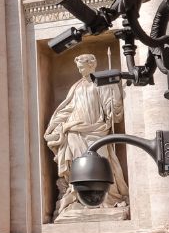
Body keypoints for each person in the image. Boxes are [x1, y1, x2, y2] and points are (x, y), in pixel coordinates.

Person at [44, 52, 128, 218]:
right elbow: (68, 109)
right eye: (78, 67)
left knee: (101, 162)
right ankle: (80, 199)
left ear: (92, 65)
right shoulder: (77, 86)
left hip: (96, 129)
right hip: (75, 130)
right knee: (77, 164)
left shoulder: (102, 83)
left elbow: (113, 110)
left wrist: (113, 105)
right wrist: (53, 127)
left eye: (82, 67)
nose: (80, 70)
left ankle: (107, 198)